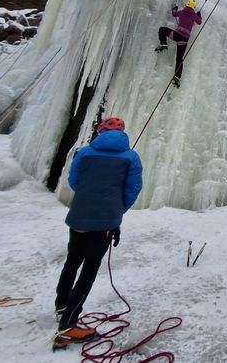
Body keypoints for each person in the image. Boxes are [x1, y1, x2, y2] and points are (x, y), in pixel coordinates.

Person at [53, 116, 143, 350]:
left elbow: (74, 181)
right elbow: (133, 189)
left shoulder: (85, 152)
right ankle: (68, 325)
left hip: (79, 215)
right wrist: (117, 208)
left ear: (100, 132)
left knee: (72, 261)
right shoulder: (131, 157)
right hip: (105, 221)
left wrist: (88, 198)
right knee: (89, 269)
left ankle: (62, 304)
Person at [155, 0, 203, 88]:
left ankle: (163, 44)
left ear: (186, 5)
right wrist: (199, 15)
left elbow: (174, 13)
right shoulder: (194, 16)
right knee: (179, 59)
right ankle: (177, 77)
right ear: (194, 7)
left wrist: (175, 8)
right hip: (184, 40)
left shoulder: (182, 12)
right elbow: (199, 22)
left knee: (162, 30)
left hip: (176, 35)